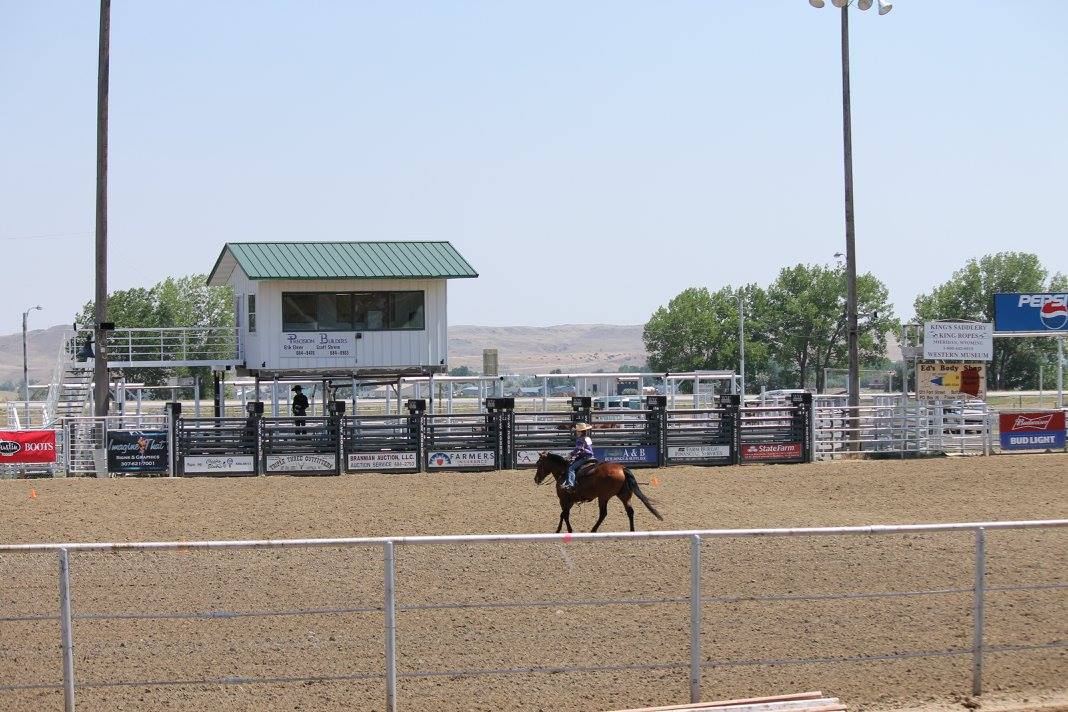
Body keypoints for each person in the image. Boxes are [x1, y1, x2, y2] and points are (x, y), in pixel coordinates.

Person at [561, 422, 594, 492]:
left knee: (571, 468)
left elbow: (578, 449)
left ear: (580, 432)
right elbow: (585, 448)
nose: (576, 432)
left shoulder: (580, 439)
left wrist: (570, 455)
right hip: (591, 456)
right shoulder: (587, 438)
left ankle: (570, 485)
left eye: (577, 431)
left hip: (584, 456)